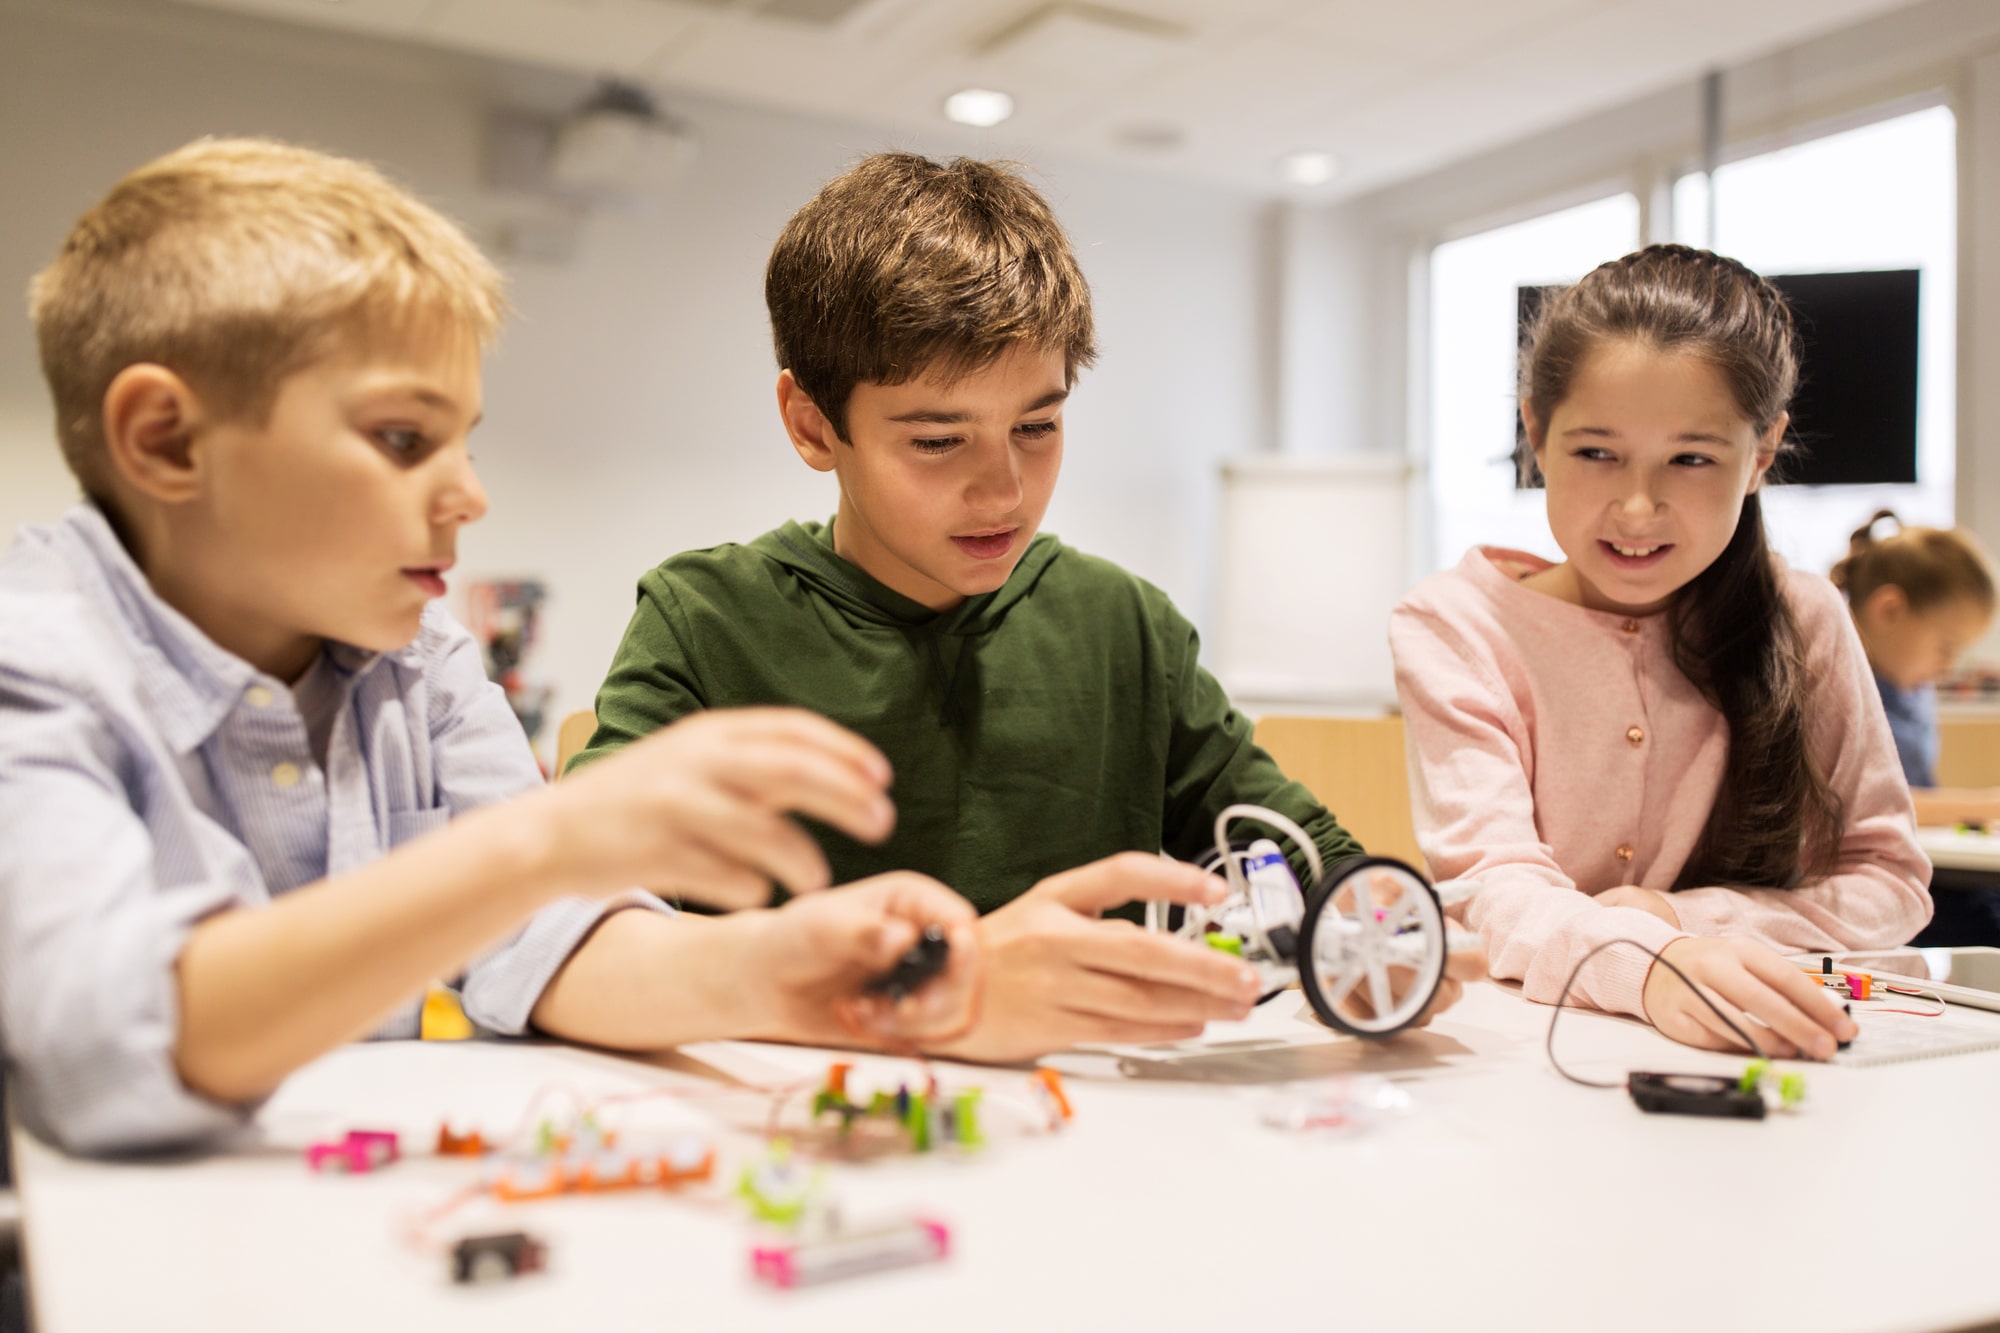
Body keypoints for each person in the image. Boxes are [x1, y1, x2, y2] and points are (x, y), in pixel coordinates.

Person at [0, 137, 983, 1157]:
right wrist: (544, 841)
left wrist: (780, 966)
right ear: (167, 440)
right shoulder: (34, 664)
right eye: (403, 439)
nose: (469, 494)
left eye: (463, 441)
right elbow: (102, 1051)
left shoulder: (416, 656)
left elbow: (548, 936)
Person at [569, 151, 1484, 1060]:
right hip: (801, 1120)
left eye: (1038, 426)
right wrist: (937, 984)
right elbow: (570, 933)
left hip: (1092, 1125)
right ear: (813, 424)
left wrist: (1373, 932)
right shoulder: (705, 621)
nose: (1004, 489)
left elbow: (1305, 856)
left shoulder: (1123, 627)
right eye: (938, 441)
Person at [1391, 243, 1931, 1061]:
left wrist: (1682, 919)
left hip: (1769, 1047)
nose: (1637, 507)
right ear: (1535, 431)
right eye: (1596, 452)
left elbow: (1888, 878)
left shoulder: (1804, 619)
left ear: (1760, 454)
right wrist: (1651, 965)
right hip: (1532, 1055)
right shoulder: (1458, 623)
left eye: (1691, 459)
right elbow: (1491, 887)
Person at [1830, 509, 2000, 826]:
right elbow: (1871, 804)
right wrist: (1989, 806)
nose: (1948, 667)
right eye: (1946, 647)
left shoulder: (1914, 694)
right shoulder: (1834, 695)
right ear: (1889, 611)